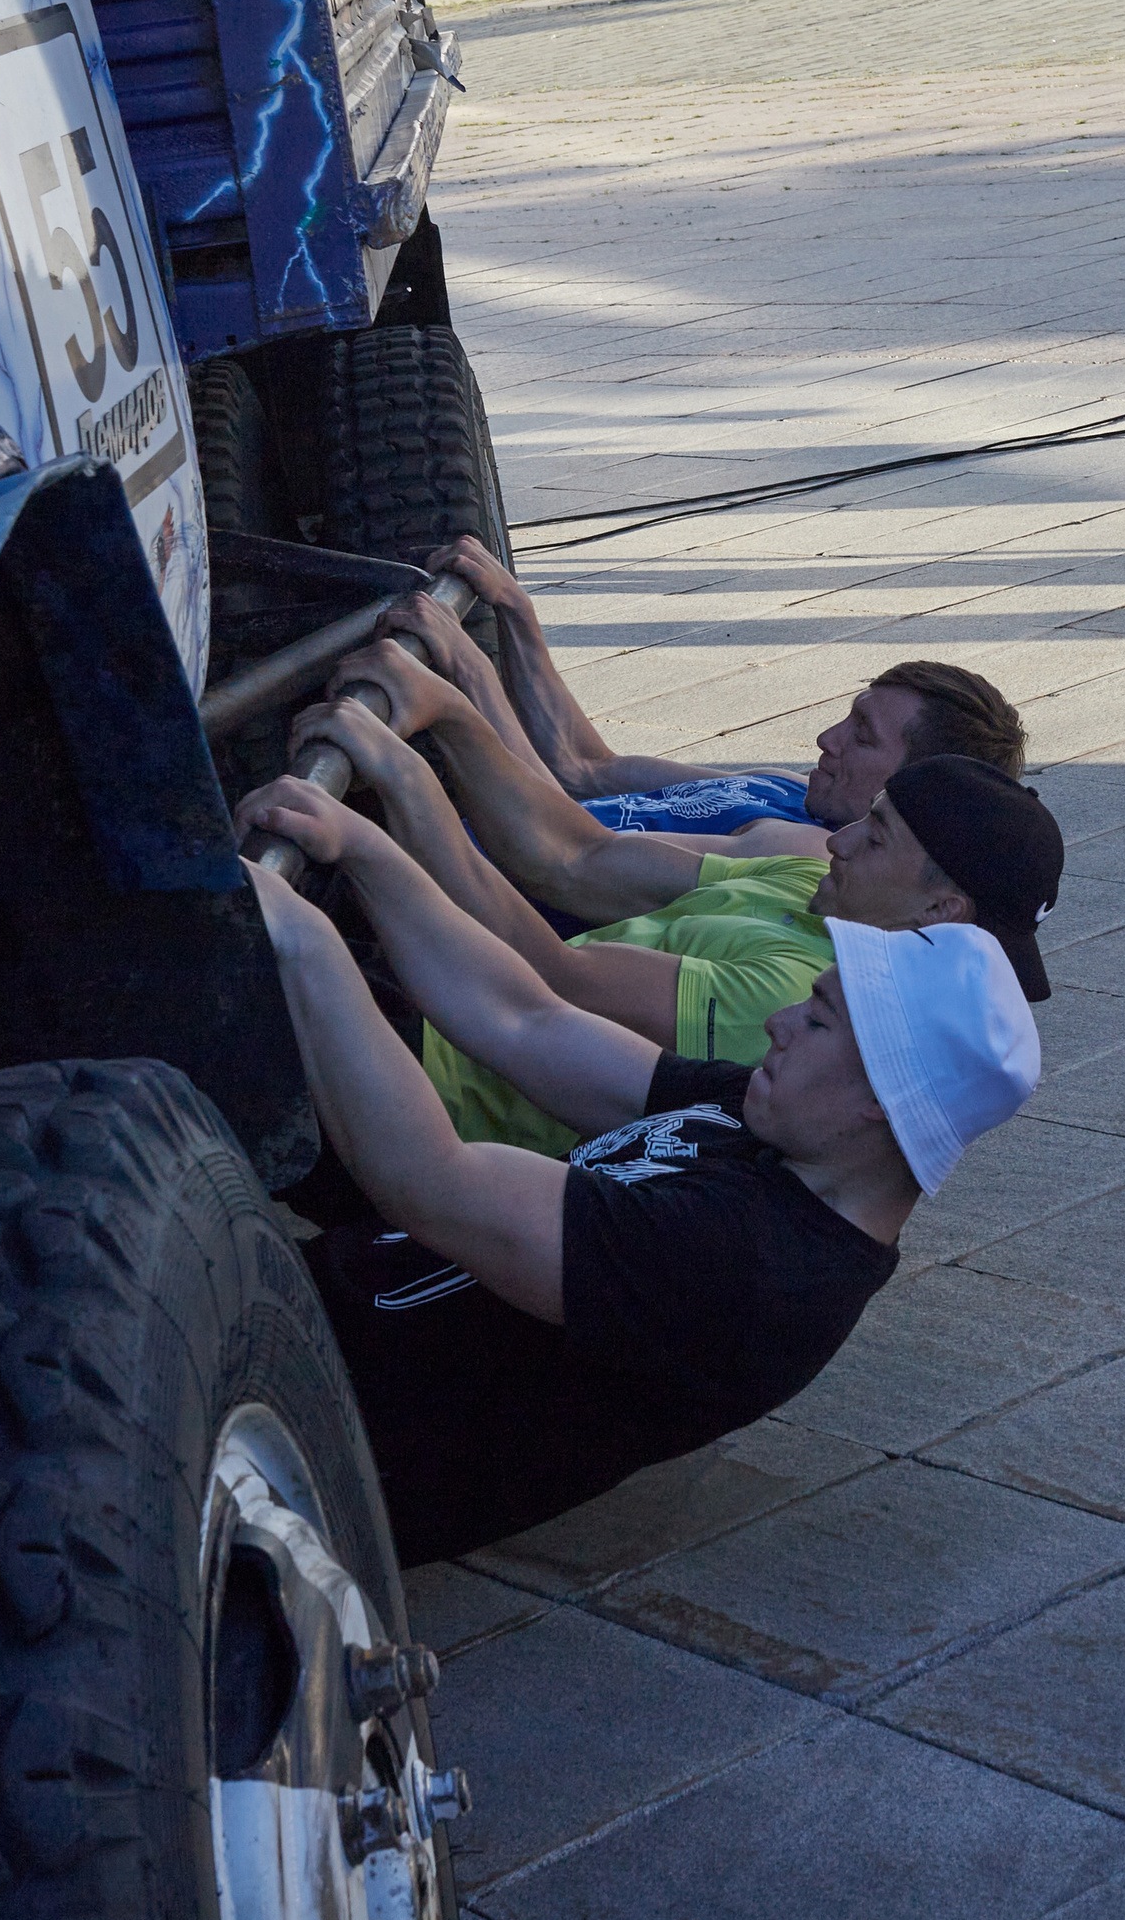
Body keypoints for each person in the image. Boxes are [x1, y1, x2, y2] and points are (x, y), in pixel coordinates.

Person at [237, 772, 1040, 1563]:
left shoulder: (753, 1268)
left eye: (819, 1020)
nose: (780, 1021)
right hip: (277, 1317)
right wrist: (366, 849)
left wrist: (303, 940)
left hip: (273, 1437)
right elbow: (528, 1019)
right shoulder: (773, 1126)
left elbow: (429, 1181)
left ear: (880, 1102)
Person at [280, 700, 1062, 1154]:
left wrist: (398, 787)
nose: (838, 839)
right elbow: (577, 859)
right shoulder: (817, 881)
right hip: (438, 997)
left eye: (877, 836)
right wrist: (448, 702)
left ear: (939, 910)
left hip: (421, 1080)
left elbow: (548, 986)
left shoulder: (798, 996)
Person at [334, 591, 1031, 928]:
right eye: (849, 715)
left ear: (915, 786)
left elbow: (567, 856)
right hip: (449, 842)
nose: (828, 738)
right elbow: (585, 769)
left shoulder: (804, 846)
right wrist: (514, 611)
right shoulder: (791, 791)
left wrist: (464, 678)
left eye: (863, 736)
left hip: (430, 888)